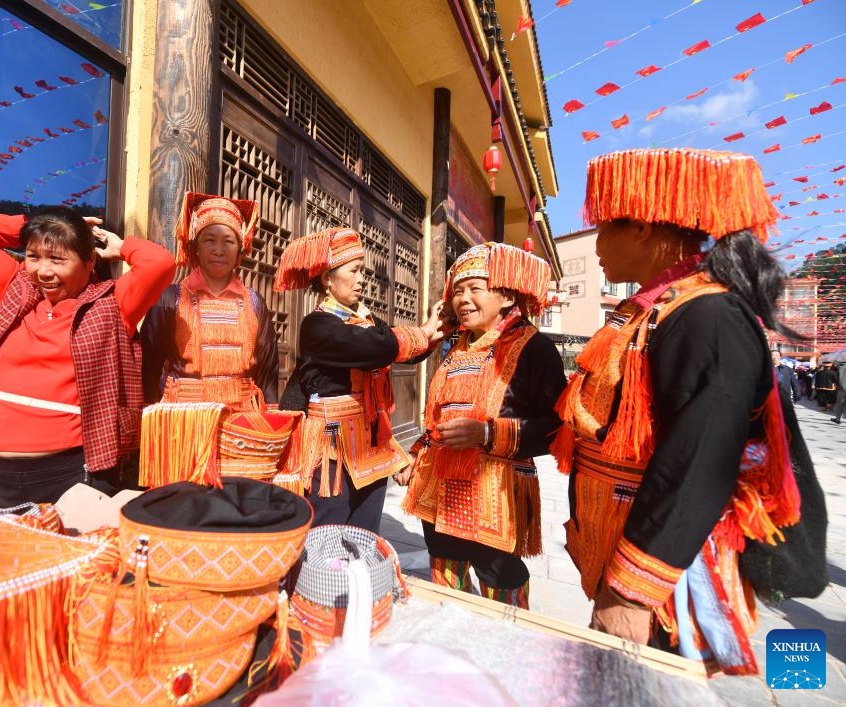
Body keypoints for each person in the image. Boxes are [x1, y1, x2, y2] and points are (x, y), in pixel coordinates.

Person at [552, 148, 805, 675]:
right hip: (623, 561)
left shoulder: (706, 314)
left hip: (663, 584)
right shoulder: (655, 310)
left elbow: (699, 459)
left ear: (641, 228)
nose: (596, 244)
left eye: (603, 228)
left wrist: (633, 590)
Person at [0, 208, 176, 511]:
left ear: (90, 262)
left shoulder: (114, 303)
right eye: (33, 256)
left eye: (58, 259)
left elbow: (161, 262)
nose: (43, 271)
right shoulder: (15, 289)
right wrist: (36, 227)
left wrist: (119, 247)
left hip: (68, 475)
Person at [400, 241, 566, 608]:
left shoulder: (534, 348)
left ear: (506, 296)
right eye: (458, 290)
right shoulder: (456, 346)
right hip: (440, 482)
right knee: (445, 565)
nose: (464, 299)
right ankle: (454, 635)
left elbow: (558, 427)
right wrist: (417, 454)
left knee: (498, 575)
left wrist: (489, 434)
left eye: (475, 289)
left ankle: (503, 646)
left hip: (495, 489)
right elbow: (438, 413)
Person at [275, 227, 446, 533]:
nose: (361, 279)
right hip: (332, 451)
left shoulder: (365, 320)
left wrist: (431, 333)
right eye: (353, 271)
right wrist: (419, 334)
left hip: (370, 447)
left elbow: (397, 348)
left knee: (364, 534)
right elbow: (378, 347)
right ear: (328, 279)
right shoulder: (318, 325)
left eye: (362, 271)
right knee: (326, 535)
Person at [140, 192, 278, 410]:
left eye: (228, 241)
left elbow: (268, 371)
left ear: (240, 248)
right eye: (210, 240)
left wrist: (272, 416)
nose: (219, 250)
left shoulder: (254, 302)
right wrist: (149, 416)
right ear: (196, 246)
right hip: (184, 420)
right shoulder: (171, 298)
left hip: (242, 418)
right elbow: (149, 365)